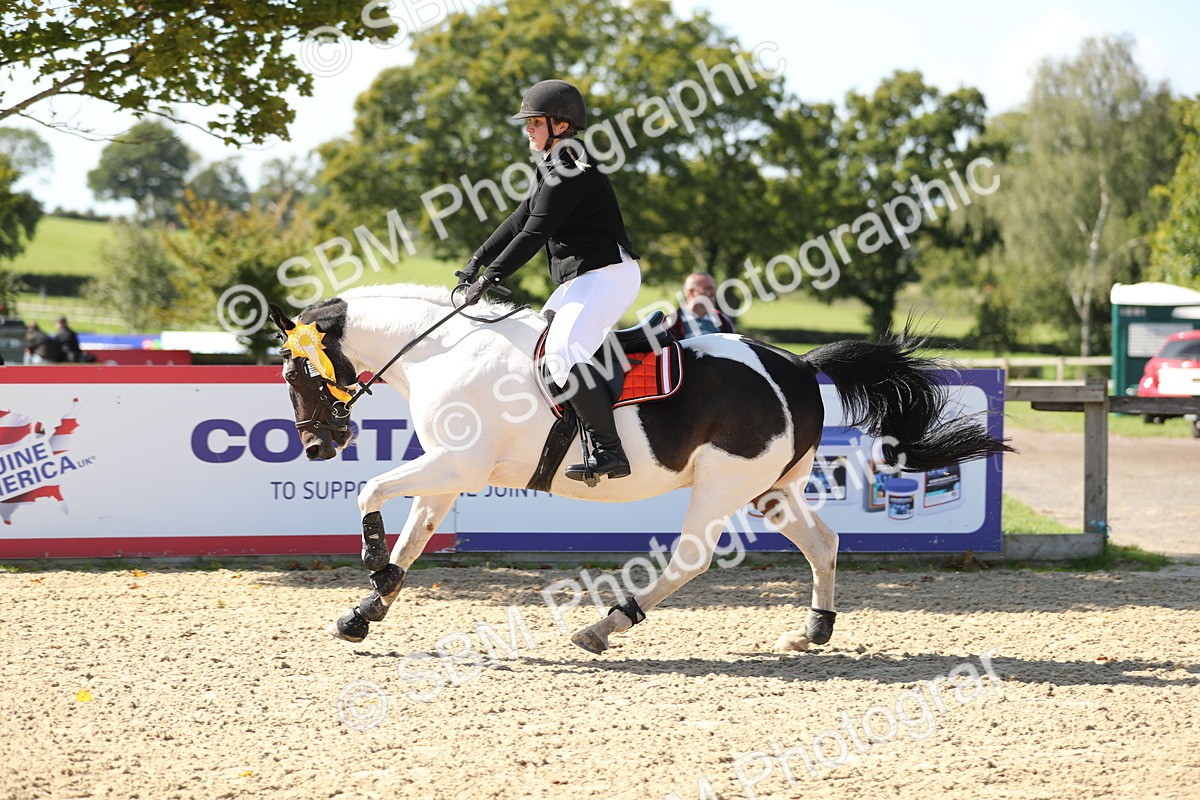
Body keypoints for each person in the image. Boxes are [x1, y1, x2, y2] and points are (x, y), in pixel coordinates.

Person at [459, 79, 641, 483]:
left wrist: (492, 276)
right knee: (541, 347)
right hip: (585, 277)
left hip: (606, 274)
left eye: (534, 122)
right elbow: (517, 220)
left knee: (562, 353)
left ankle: (611, 452)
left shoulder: (571, 170)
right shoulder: (554, 166)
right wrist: (476, 261)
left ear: (560, 125)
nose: (527, 129)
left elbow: (535, 232)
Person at [666, 272, 736, 339]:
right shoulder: (670, 322)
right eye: (707, 288)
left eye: (714, 288)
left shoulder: (723, 320)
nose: (713, 293)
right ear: (690, 292)